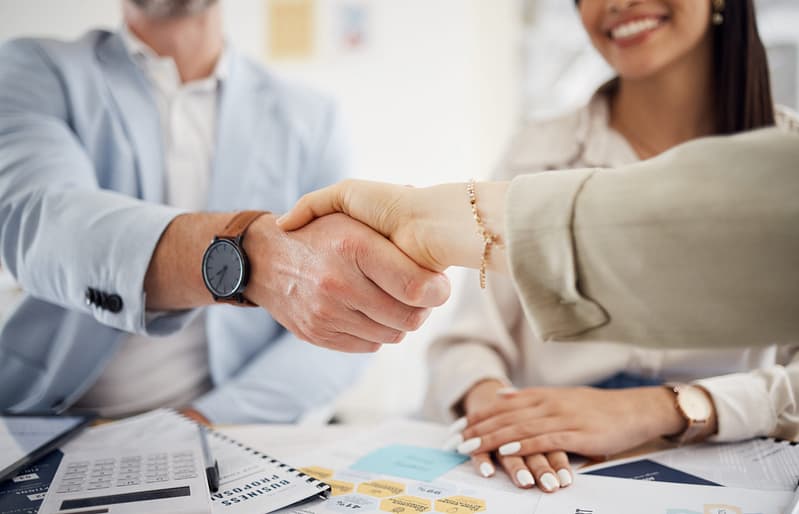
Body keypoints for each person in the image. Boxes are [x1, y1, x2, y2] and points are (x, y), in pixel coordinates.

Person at [0, 0, 449, 423]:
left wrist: (206, 424)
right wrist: (248, 255)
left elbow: (336, 330)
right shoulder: (35, 70)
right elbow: (42, 221)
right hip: (53, 419)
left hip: (226, 430)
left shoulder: (311, 118)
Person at [422, 0, 799, 493]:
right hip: (549, 463)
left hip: (732, 467)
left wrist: (666, 407)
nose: (617, 3)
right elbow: (469, 340)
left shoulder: (785, 164)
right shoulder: (536, 152)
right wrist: (499, 412)